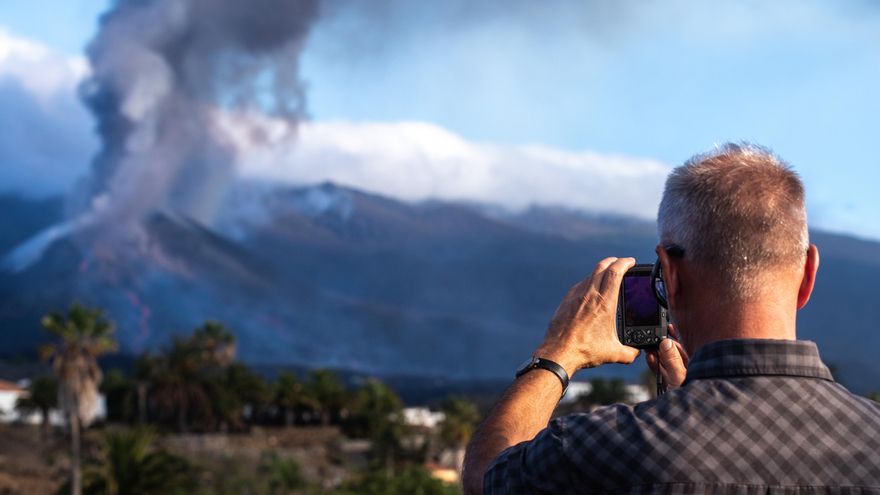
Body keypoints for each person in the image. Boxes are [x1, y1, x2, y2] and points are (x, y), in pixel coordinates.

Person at [462, 143, 880, 494]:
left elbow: (488, 478)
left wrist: (560, 352)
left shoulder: (605, 447)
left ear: (670, 275)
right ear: (808, 275)